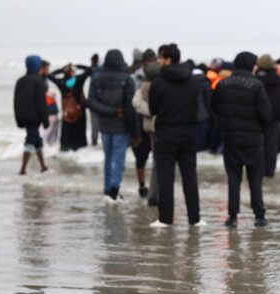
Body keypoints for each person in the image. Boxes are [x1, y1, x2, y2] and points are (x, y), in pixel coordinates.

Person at [212, 51, 272, 228]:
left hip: (230, 138)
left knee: (233, 179)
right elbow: (266, 114)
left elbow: (214, 107)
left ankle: (232, 217)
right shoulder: (256, 86)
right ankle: (259, 216)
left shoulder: (222, 84)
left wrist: (223, 124)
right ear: (251, 65)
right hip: (253, 140)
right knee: (255, 179)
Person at [148, 43, 205, 227]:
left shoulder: (158, 82)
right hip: (188, 134)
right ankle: (194, 218)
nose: (158, 61)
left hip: (166, 134)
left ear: (168, 59)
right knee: (190, 176)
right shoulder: (193, 81)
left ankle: (165, 219)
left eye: (160, 57)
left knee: (166, 177)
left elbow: (153, 109)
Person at [87, 49, 138, 200]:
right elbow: (130, 108)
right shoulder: (127, 79)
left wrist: (109, 111)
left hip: (104, 125)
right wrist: (135, 133)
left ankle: (107, 189)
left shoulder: (96, 78)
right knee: (118, 159)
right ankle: (114, 190)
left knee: (108, 158)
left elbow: (91, 102)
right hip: (121, 126)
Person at [13, 55, 50, 175]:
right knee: (30, 140)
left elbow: (16, 101)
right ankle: (22, 170)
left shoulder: (20, 80)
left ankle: (43, 166)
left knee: (37, 140)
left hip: (23, 116)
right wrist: (45, 120)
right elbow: (41, 103)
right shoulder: (39, 81)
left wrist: (18, 119)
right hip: (34, 117)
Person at [132, 62, 162, 207]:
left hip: (148, 128)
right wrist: (154, 112)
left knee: (152, 162)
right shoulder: (161, 85)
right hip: (160, 128)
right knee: (158, 163)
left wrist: (148, 111)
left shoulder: (142, 87)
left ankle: (152, 195)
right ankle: (155, 196)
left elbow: (136, 103)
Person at [256, 54, 280, 177]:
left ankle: (260, 171)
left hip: (259, 118)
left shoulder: (257, 80)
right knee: (272, 147)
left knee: (260, 146)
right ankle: (270, 172)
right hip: (277, 117)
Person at [47, 63, 92, 151]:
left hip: (67, 112)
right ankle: (79, 148)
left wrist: (61, 69)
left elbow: (50, 75)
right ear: (72, 72)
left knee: (67, 132)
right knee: (79, 133)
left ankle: (65, 148)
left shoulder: (61, 82)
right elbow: (90, 70)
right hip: (79, 112)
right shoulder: (78, 79)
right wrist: (78, 66)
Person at [89, 53, 101, 146]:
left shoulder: (92, 71)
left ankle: (94, 142)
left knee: (94, 124)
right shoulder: (102, 70)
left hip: (94, 101)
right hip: (102, 100)